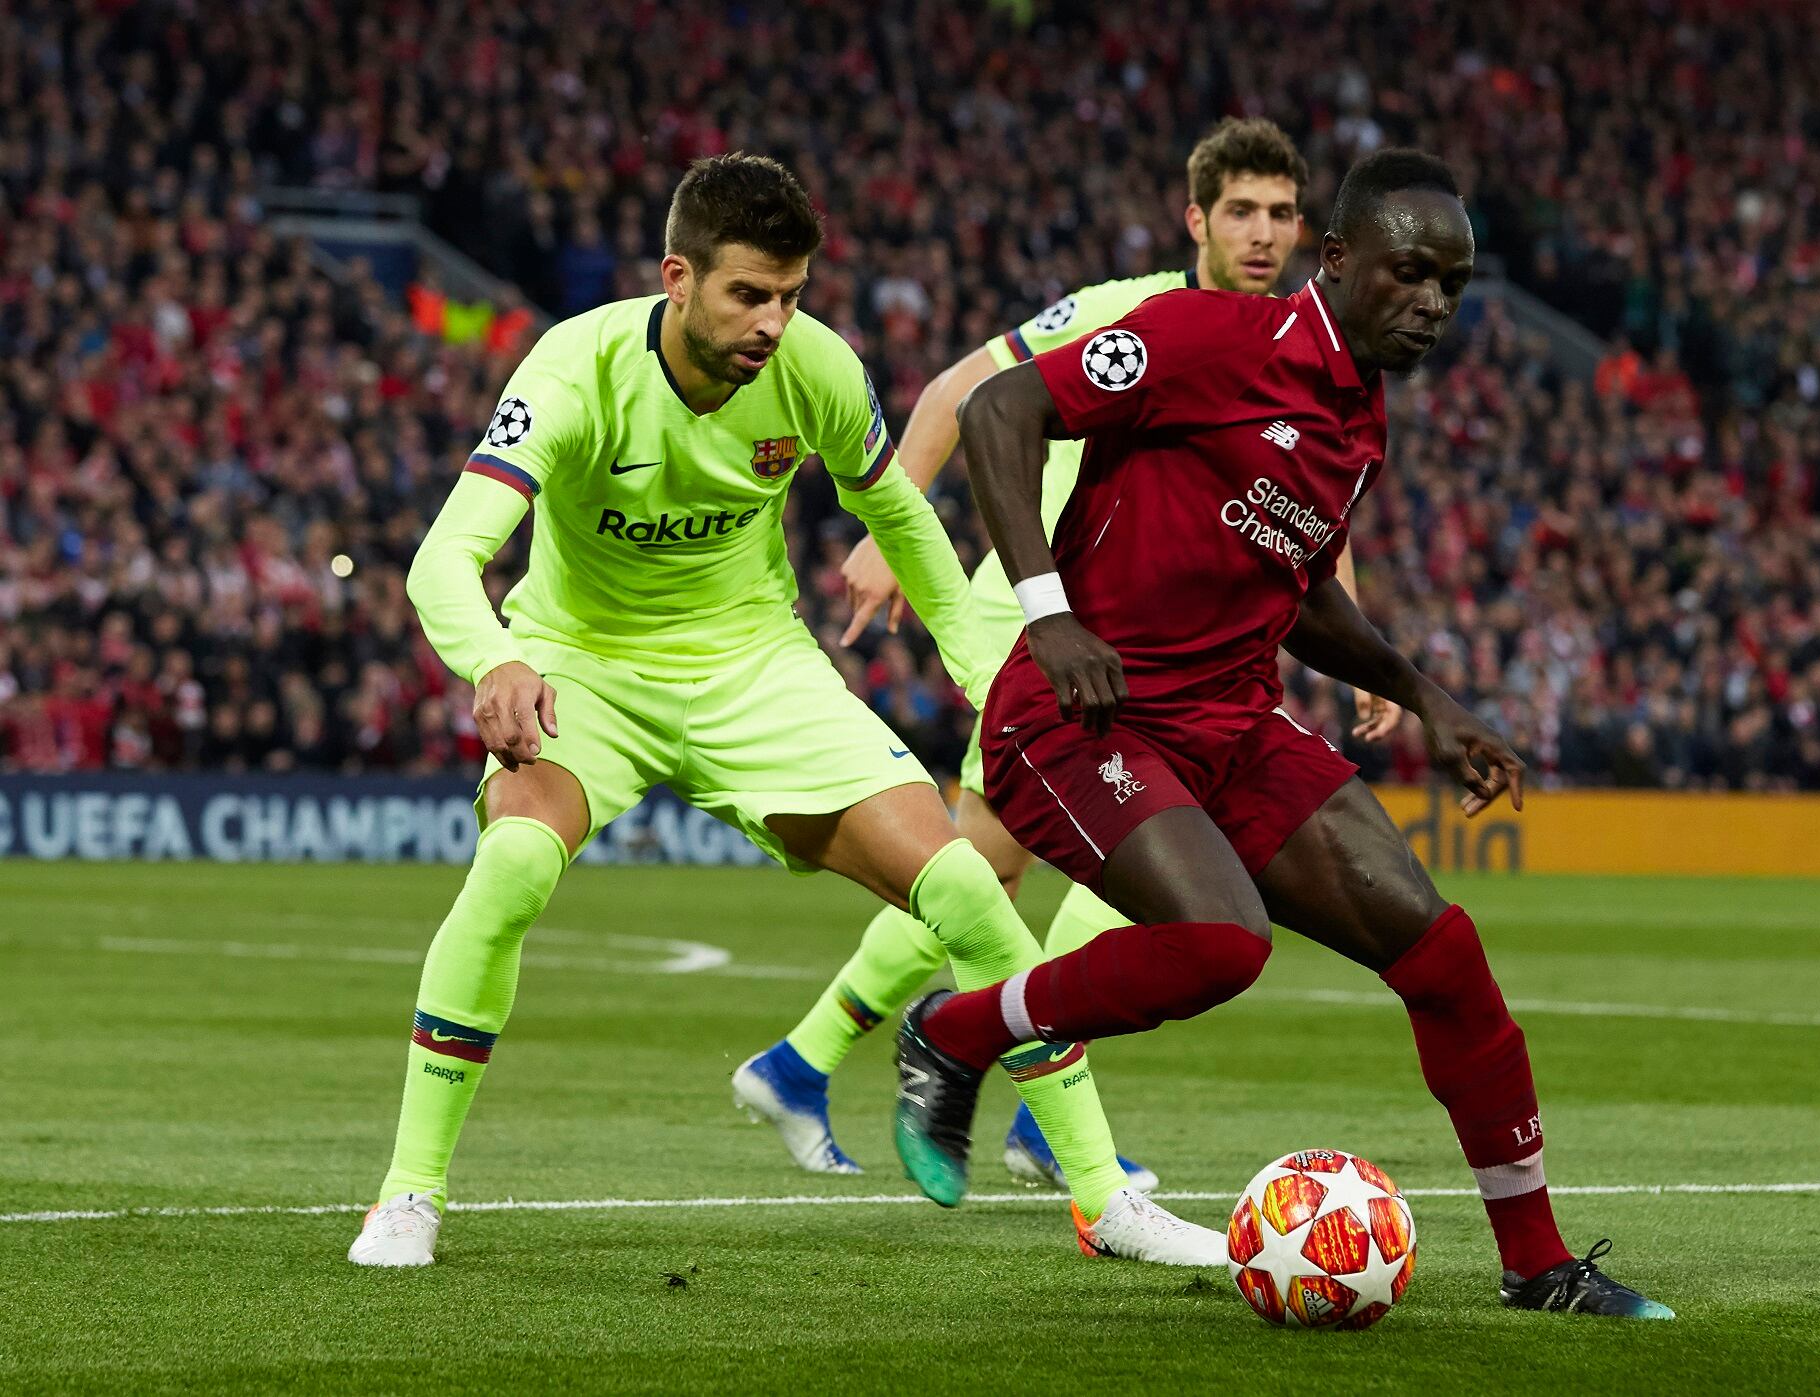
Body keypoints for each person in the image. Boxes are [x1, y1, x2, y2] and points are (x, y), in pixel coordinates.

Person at [347, 153, 1219, 1268]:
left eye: (791, 295)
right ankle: (407, 1193)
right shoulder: (575, 368)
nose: (773, 321)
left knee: (961, 882)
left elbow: (897, 513)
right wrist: (496, 659)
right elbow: (441, 562)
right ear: (678, 276)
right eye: (748, 293)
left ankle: (1103, 1199)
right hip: (584, 666)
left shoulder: (814, 368)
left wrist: (975, 665)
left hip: (753, 665)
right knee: (511, 867)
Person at [894, 148, 1674, 1319]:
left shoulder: (1356, 416)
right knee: (1220, 942)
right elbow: (998, 407)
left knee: (1442, 954)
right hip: (1077, 713)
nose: (1432, 303)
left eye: (1452, 285)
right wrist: (1046, 613)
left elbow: (1298, 587)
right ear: (1339, 258)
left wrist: (1426, 695)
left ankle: (1536, 1263)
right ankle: (952, 1029)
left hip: (1228, 722)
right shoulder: (1204, 336)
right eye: (1410, 273)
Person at [732, 119, 1404, 1230]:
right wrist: (886, 524)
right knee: (1029, 862)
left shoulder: (1301, 346)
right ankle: (1001, 1109)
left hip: (1161, 656)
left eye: (1281, 213)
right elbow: (959, 388)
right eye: (1239, 210)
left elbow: (1305, 508)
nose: (1262, 233)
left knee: (998, 868)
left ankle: (811, 1064)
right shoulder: (1126, 307)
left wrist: (1364, 640)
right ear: (1194, 219)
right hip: (1051, 628)